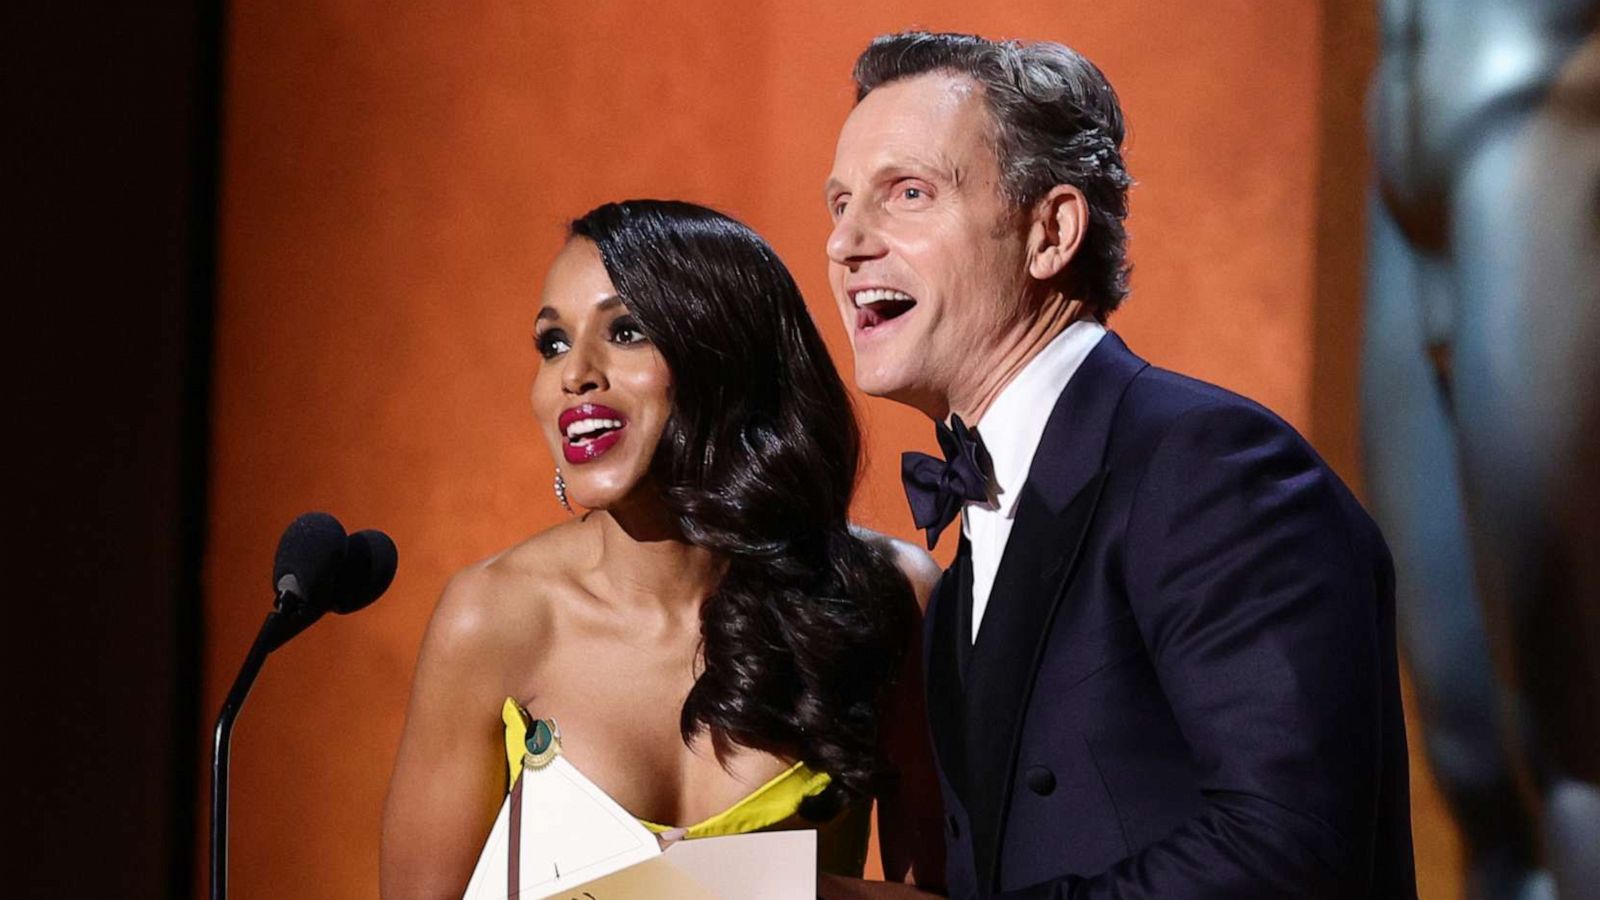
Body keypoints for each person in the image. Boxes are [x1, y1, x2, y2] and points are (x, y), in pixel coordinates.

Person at [823, 32, 1416, 898]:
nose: (845, 243)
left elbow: (1287, 851)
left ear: (1051, 231)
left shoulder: (1213, 469)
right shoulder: (958, 579)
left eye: (907, 193)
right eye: (838, 204)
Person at [379, 200, 946, 899]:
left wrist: (751, 890)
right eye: (552, 344)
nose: (575, 374)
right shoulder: (492, 619)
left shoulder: (887, 595)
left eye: (625, 331)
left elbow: (948, 892)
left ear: (725, 351)